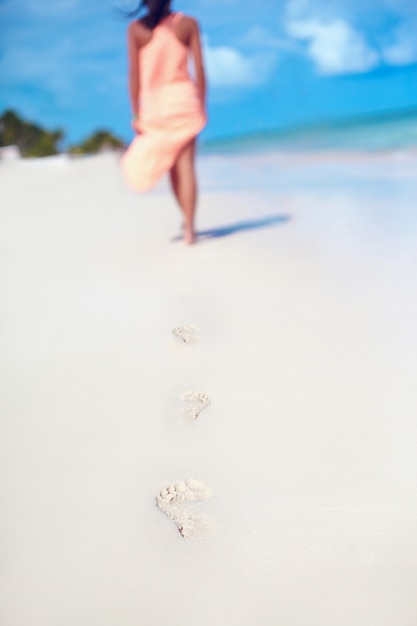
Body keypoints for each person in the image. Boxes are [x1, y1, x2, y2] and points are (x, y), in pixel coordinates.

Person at [121, 0, 207, 245]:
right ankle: (190, 228)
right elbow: (200, 69)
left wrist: (136, 114)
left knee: (173, 170)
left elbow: (134, 75)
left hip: (155, 111)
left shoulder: (136, 30)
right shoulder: (188, 24)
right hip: (184, 103)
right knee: (186, 167)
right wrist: (202, 104)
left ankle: (187, 221)